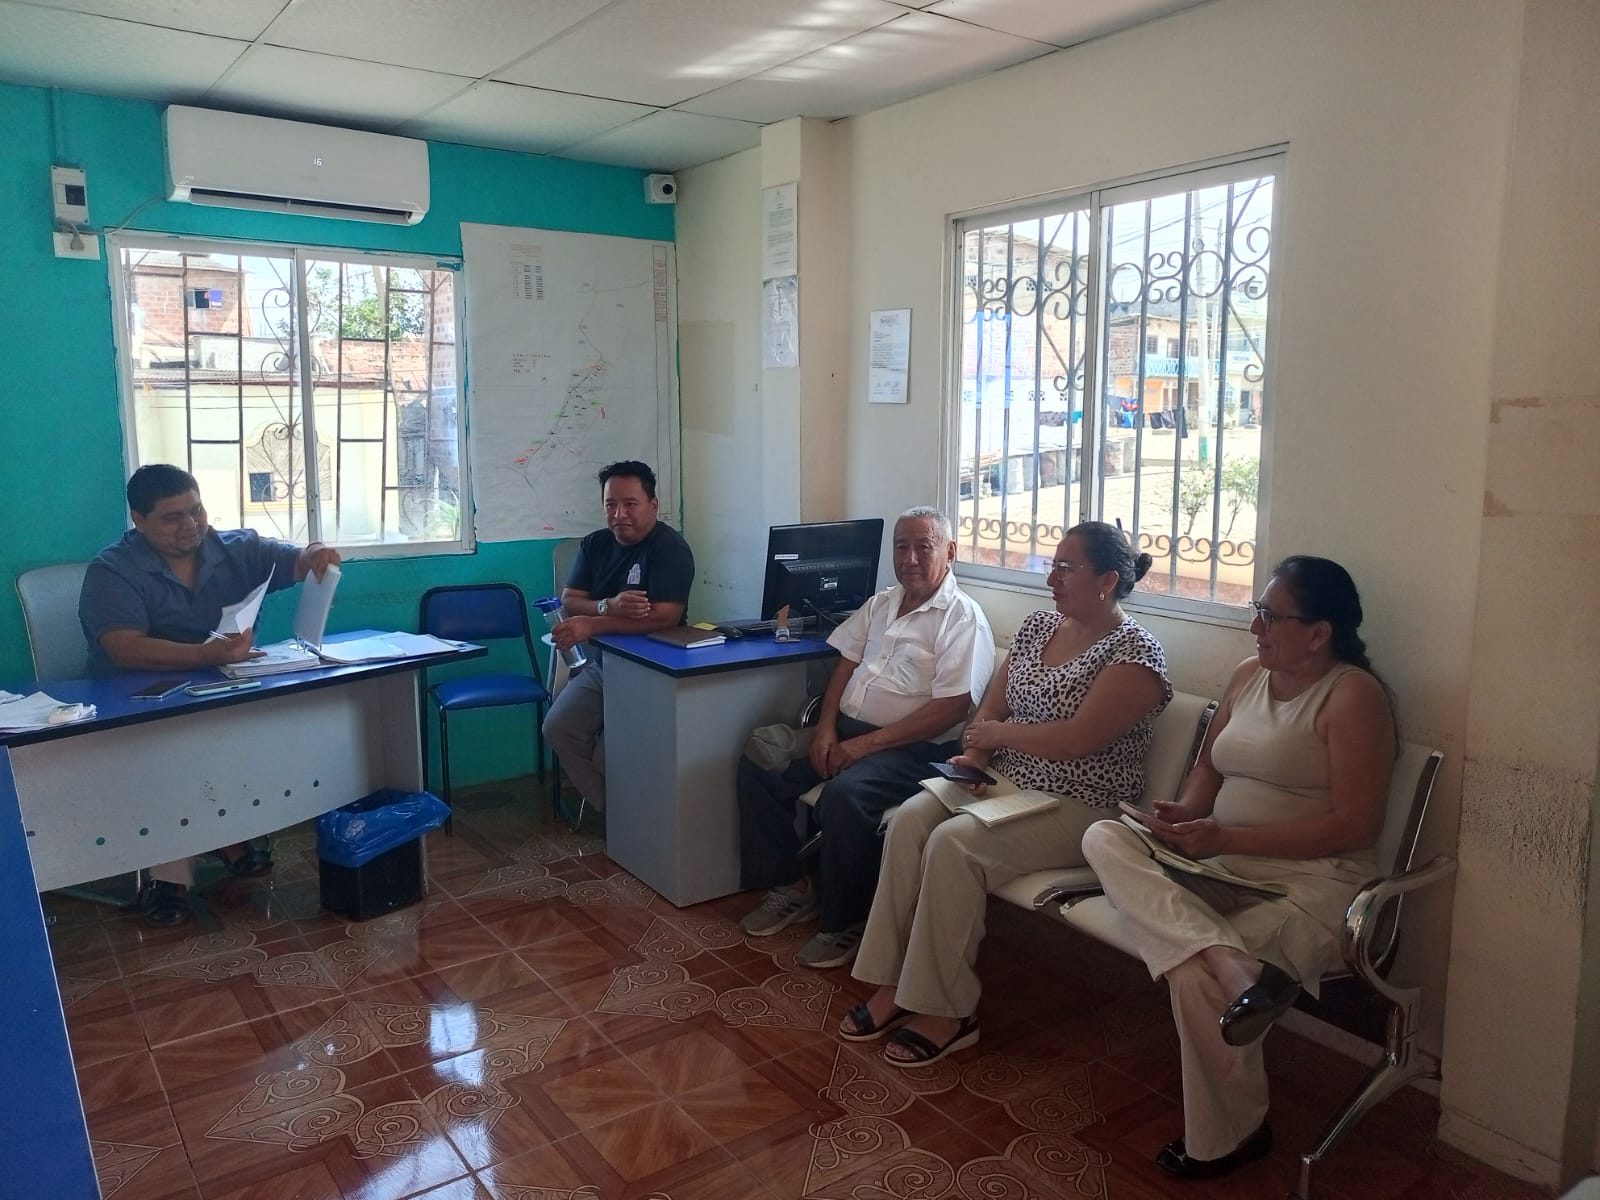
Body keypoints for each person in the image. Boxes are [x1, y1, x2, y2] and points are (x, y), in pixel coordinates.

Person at [1079, 556, 1396, 1180]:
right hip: (1219, 865)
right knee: (1105, 836)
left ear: (1319, 632)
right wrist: (1186, 813)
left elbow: (1357, 826)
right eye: (1258, 612)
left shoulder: (1353, 695)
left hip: (1309, 885)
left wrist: (1226, 836)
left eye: (1271, 617)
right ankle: (1232, 963)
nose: (1255, 628)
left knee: (1192, 973)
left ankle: (1229, 1135)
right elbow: (1209, 765)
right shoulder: (1249, 674)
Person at [842, 521, 1170, 1066]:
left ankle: (948, 1010)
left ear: (1107, 581)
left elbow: (1076, 740)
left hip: (1081, 804)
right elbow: (993, 707)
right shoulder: (1040, 626)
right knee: (909, 821)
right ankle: (893, 983)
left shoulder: (1135, 655)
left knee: (954, 844)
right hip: (1006, 779)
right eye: (1052, 565)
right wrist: (976, 755)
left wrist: (996, 737)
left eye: (1066, 568)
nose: (1052, 579)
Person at [78, 463, 342, 927]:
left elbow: (296, 560)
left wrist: (315, 553)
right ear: (138, 520)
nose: (191, 524)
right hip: (137, 697)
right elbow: (123, 646)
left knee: (246, 734)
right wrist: (207, 654)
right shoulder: (112, 569)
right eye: (172, 517)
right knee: (170, 750)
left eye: (196, 510)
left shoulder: (236, 548)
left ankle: (225, 836)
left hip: (216, 687)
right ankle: (173, 877)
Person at [737, 507, 994, 969]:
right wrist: (827, 728)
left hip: (914, 750)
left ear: (950, 552)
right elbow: (846, 664)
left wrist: (864, 747)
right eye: (901, 546)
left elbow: (952, 708)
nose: (909, 558)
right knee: (763, 754)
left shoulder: (962, 619)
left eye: (923, 547)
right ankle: (792, 886)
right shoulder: (882, 603)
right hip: (848, 733)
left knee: (845, 796)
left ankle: (846, 921)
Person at [543, 461, 695, 813]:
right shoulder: (595, 544)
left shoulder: (669, 548)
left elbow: (665, 617)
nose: (619, 514)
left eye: (630, 504)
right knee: (558, 728)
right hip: (606, 664)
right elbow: (570, 600)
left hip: (654, 670)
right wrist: (607, 606)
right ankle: (614, 814)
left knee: (608, 755)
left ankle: (631, 820)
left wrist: (593, 624)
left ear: (653, 505)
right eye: (611, 504)